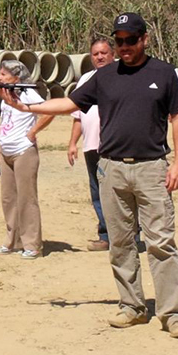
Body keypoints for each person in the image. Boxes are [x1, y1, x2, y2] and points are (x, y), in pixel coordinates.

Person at [5, 12, 178, 339]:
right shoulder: (103, 77)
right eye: (118, 41)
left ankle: (172, 312)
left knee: (161, 241)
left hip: (151, 168)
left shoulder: (164, 73)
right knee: (119, 242)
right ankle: (131, 306)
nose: (123, 47)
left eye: (130, 40)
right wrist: (28, 109)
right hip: (112, 168)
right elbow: (69, 104)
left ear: (144, 39)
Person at [0, 59, 53, 258]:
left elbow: (47, 113)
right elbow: (5, 122)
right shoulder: (5, 97)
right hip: (6, 152)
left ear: (16, 78)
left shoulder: (29, 93)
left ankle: (32, 244)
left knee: (27, 199)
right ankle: (12, 241)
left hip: (23, 151)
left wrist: (33, 132)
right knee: (8, 199)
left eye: (4, 74)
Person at [67, 37, 114, 251]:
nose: (100, 57)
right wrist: (72, 143)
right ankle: (105, 236)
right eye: (95, 54)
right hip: (91, 146)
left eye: (104, 52)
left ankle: (132, 236)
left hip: (114, 146)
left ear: (113, 54)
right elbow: (78, 115)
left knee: (119, 191)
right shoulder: (86, 79)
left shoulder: (122, 76)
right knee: (97, 192)